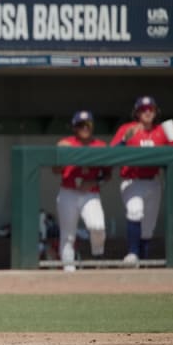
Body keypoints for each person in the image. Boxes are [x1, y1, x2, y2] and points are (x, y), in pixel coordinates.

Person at [110, 96, 173, 266]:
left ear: (155, 111)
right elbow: (110, 154)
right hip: (132, 181)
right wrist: (124, 141)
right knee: (135, 211)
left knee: (148, 228)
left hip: (153, 181)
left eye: (150, 108)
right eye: (143, 109)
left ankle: (143, 262)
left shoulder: (163, 130)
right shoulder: (127, 128)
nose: (147, 112)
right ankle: (132, 254)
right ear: (137, 112)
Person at [54, 111, 110, 271]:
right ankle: (68, 271)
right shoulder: (66, 143)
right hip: (68, 192)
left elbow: (107, 175)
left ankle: (97, 256)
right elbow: (55, 170)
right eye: (80, 125)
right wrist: (63, 154)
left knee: (97, 226)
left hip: (90, 192)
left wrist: (94, 181)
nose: (85, 128)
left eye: (88, 125)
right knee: (68, 235)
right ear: (74, 128)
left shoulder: (100, 146)